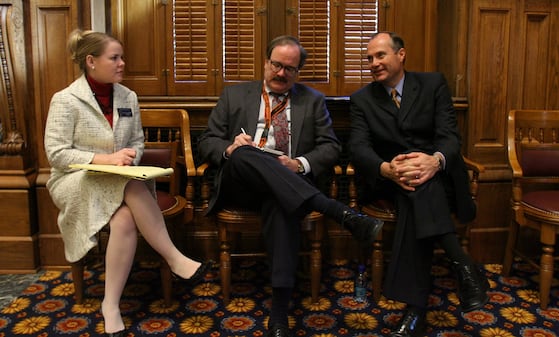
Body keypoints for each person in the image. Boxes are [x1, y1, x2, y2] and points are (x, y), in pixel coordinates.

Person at [198, 35, 383, 337]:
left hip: (289, 183)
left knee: (281, 201)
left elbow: (330, 147)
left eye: (290, 69)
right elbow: (206, 141)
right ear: (265, 62)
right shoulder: (234, 95)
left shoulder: (312, 100)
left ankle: (279, 313)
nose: (281, 73)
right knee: (246, 152)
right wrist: (231, 148)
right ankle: (337, 211)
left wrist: (298, 164)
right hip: (240, 183)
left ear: (298, 73)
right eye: (276, 65)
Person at [44, 30, 211, 337]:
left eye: (121, 57)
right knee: (132, 187)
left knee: (124, 220)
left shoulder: (127, 97)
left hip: (119, 180)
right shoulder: (66, 100)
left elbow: (135, 141)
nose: (122, 63)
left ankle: (110, 305)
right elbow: (57, 155)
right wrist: (107, 160)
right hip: (76, 181)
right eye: (115, 57)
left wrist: (127, 162)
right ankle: (174, 258)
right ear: (91, 61)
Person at [348, 32, 490, 337]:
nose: (374, 63)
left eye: (380, 55)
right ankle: (464, 265)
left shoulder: (432, 84)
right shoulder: (362, 99)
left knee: (421, 190)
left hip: (436, 177)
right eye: (370, 58)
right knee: (416, 186)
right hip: (390, 180)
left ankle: (416, 310)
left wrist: (435, 161)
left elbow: (450, 137)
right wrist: (386, 169)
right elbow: (358, 147)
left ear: (401, 55)